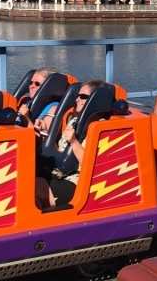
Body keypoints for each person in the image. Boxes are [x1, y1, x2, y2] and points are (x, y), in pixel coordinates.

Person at [36, 79, 106, 208]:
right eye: (77, 96)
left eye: (83, 97)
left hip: (77, 182)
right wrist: (44, 132)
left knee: (35, 191)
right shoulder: (73, 121)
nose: (77, 100)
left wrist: (74, 142)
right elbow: (61, 152)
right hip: (59, 173)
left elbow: (93, 166)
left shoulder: (102, 128)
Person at [17, 66, 61, 136]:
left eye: (37, 84)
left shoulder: (53, 109)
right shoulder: (28, 102)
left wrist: (26, 119)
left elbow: (44, 142)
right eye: (30, 82)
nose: (32, 86)